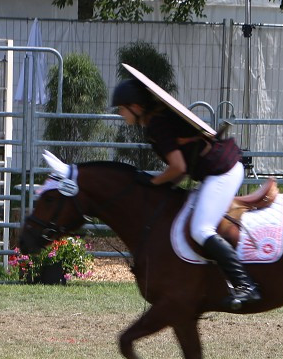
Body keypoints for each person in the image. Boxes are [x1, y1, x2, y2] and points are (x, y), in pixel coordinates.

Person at [111, 76, 260, 310]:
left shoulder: (156, 125)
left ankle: (245, 285)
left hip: (223, 171)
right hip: (216, 171)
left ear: (136, 107)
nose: (120, 113)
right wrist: (159, 184)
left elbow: (178, 168)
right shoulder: (156, 122)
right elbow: (180, 172)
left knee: (201, 229)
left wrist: (153, 182)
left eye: (121, 108)